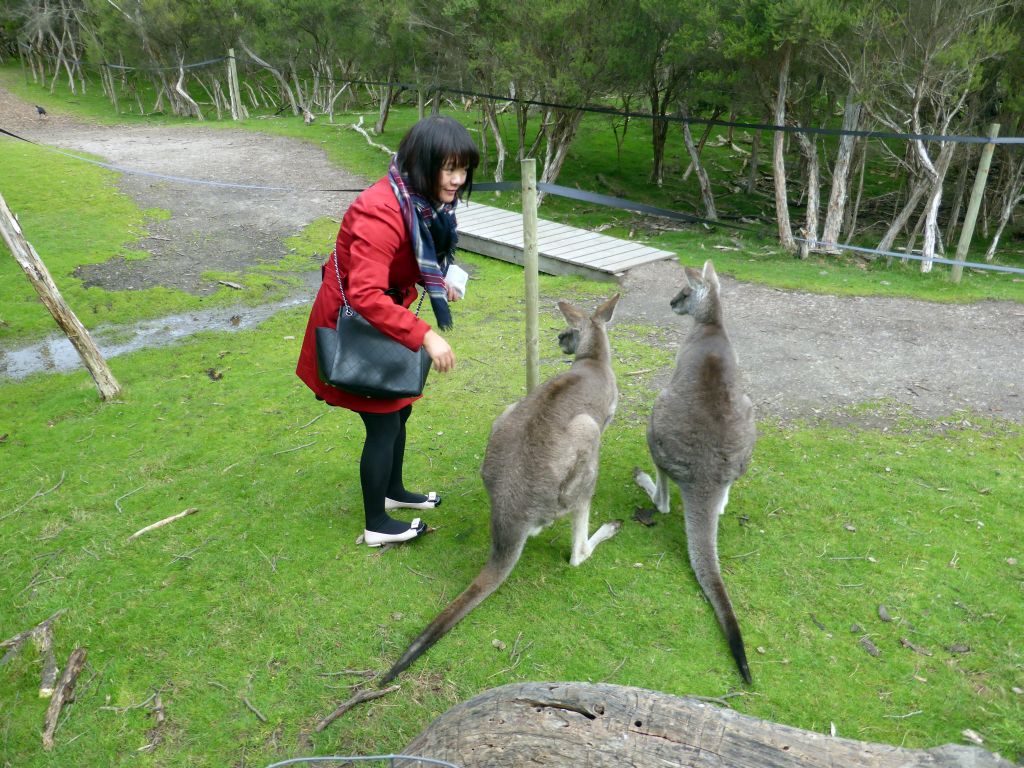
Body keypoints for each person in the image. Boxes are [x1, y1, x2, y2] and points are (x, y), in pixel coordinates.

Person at [296, 115, 480, 547]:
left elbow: (414, 252)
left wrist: (441, 276)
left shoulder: (418, 201)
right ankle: (376, 522)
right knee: (382, 420)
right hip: (354, 323)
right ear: (423, 163)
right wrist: (427, 336)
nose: (458, 179)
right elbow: (364, 293)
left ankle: (394, 492)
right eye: (448, 168)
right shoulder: (379, 209)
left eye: (463, 168)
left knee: (400, 408)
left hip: (384, 316)